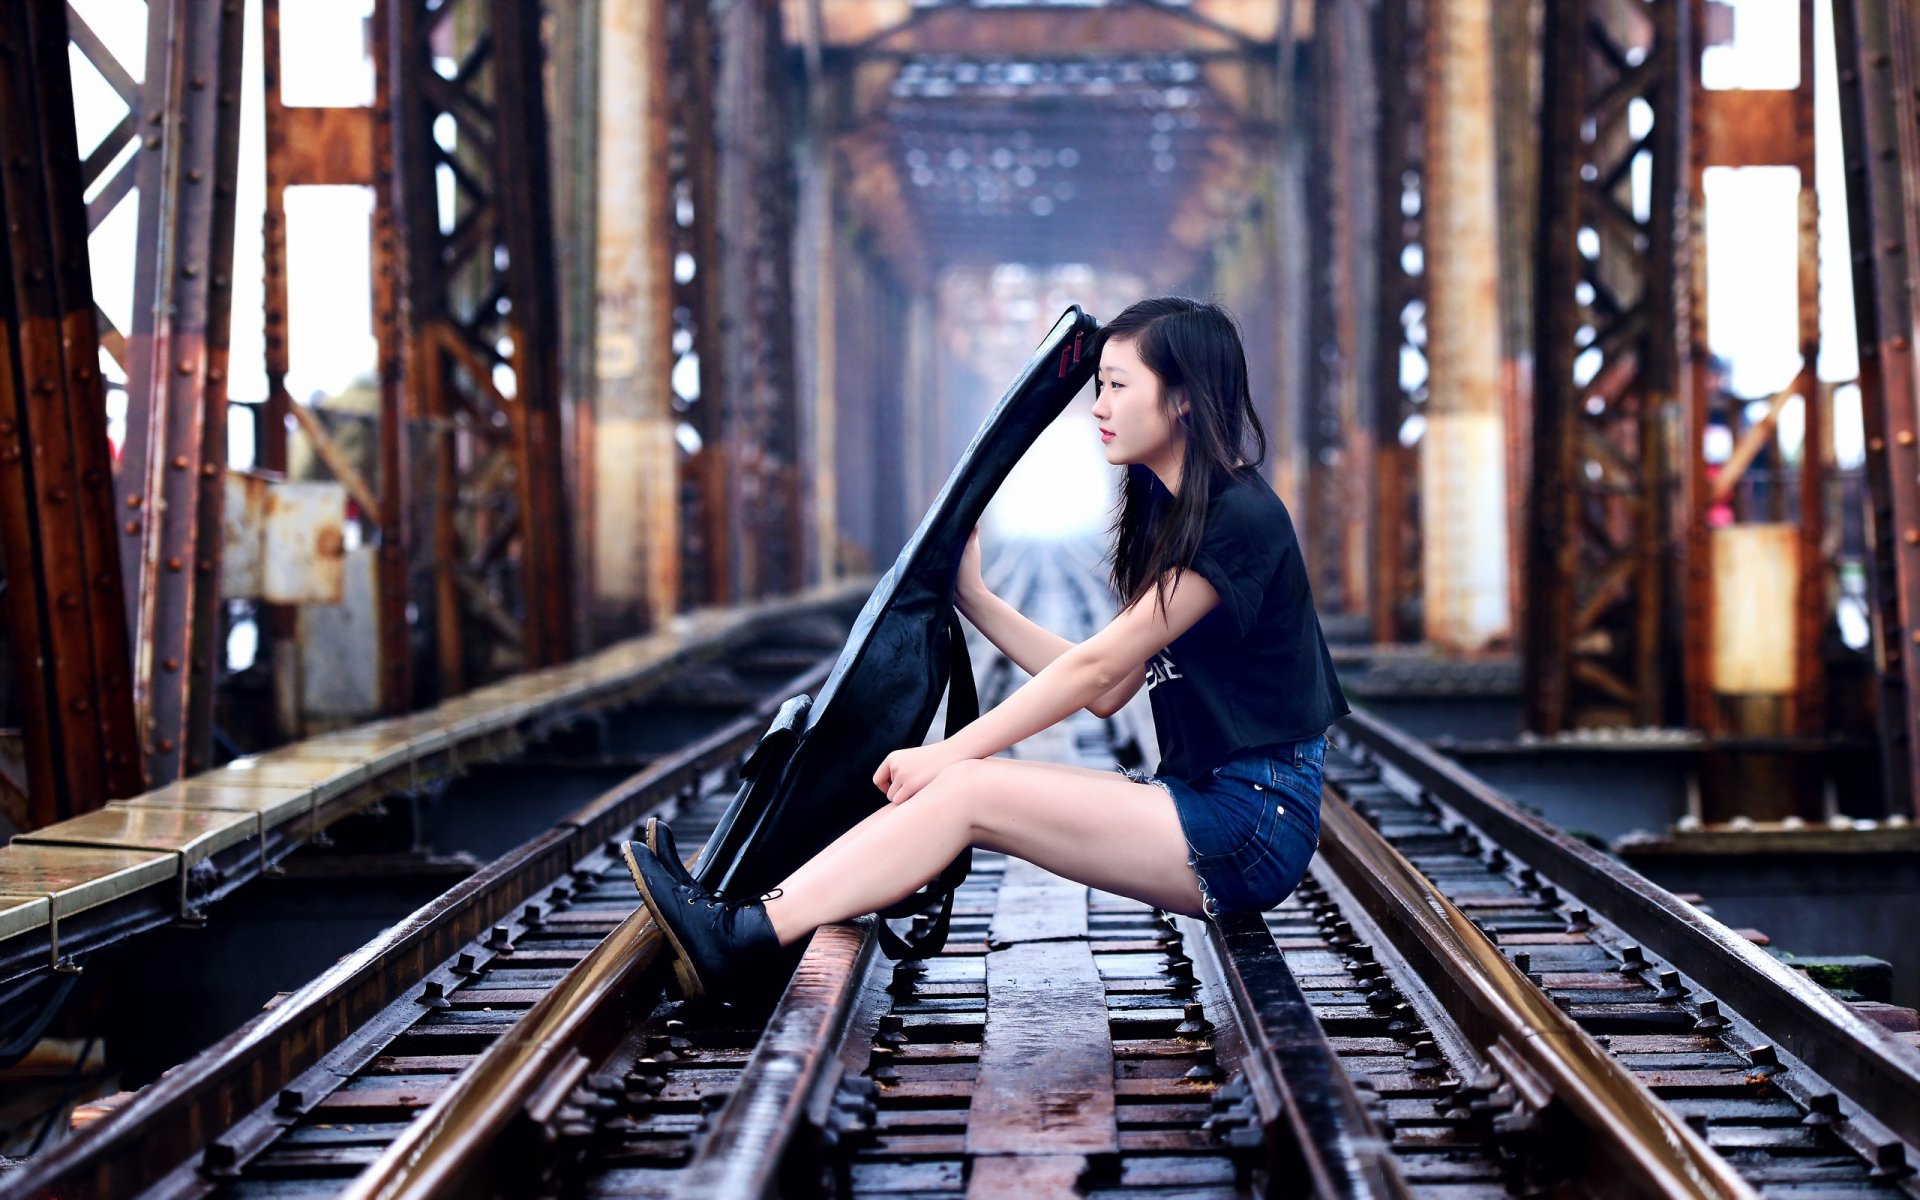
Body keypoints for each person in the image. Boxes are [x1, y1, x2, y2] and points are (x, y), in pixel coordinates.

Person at [622, 297, 1350, 999]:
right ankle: (742, 915)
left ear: (1184, 398)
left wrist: (952, 750)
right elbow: (1108, 693)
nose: (1097, 407)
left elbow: (1095, 669)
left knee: (966, 786)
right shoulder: (1171, 513)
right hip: (1207, 803)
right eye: (1097, 387)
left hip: (1252, 824)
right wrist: (974, 596)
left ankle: (739, 934)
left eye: (1117, 386)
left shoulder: (1240, 520)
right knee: (959, 787)